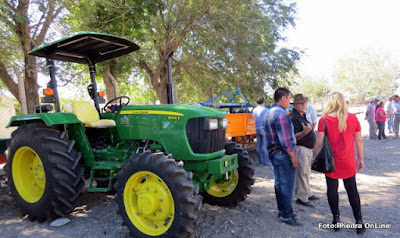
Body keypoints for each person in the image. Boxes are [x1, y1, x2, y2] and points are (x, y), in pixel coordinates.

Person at [313, 92, 365, 234]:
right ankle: (359, 221)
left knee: (332, 190)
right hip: (348, 161)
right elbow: (359, 141)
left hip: (331, 162)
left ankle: (336, 220)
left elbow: (319, 142)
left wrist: (314, 157)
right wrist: (360, 158)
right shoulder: (353, 118)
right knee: (352, 190)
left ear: (329, 103)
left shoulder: (323, 120)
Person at [264, 87, 300, 226]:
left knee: (279, 184)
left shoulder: (269, 112)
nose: (290, 101)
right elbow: (285, 139)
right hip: (283, 155)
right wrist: (293, 157)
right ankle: (286, 215)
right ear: (283, 98)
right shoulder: (281, 114)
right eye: (289, 98)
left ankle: (282, 211)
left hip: (274, 154)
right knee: (287, 186)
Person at [289, 94, 318, 207]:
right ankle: (301, 197)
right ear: (295, 104)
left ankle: (307, 193)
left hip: (307, 148)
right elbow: (293, 136)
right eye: (301, 103)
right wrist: (305, 132)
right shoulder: (293, 118)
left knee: (306, 171)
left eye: (305, 103)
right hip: (300, 148)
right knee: (301, 173)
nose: (304, 105)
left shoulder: (302, 115)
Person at [252, 96, 269, 166]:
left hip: (257, 128)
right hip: (264, 129)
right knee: (265, 147)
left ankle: (260, 162)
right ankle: (266, 163)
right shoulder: (266, 110)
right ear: (263, 102)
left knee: (258, 146)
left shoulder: (254, 110)